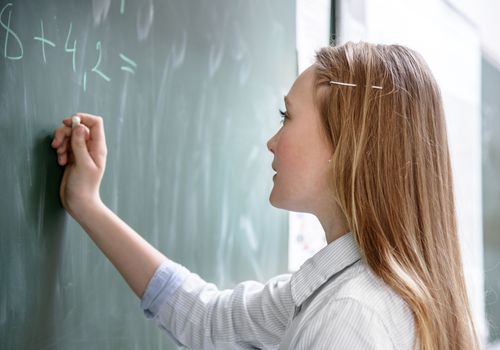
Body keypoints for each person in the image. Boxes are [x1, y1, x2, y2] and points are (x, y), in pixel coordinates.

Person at [51, 41, 479, 349]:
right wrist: (86, 204)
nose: (272, 142)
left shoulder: (351, 317)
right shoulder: (337, 290)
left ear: (347, 146)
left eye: (287, 117)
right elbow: (205, 318)